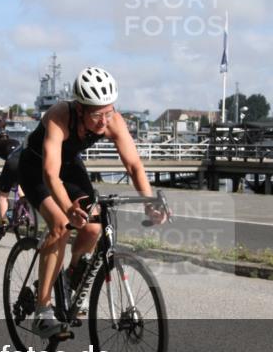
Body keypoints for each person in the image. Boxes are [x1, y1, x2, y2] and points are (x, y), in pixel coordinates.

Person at [17, 66, 168, 337]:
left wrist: (149, 201)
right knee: (61, 225)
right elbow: (50, 173)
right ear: (79, 109)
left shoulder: (112, 120)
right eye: (97, 114)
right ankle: (43, 311)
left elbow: (133, 165)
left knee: (94, 226)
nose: (103, 121)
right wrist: (67, 208)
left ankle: (71, 275)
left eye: (108, 111)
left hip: (70, 166)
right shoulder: (59, 116)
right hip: (36, 168)